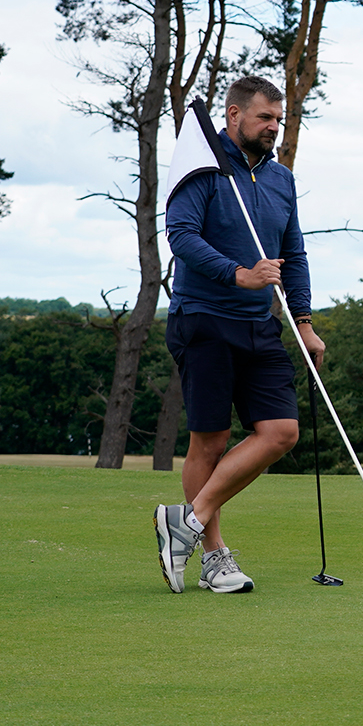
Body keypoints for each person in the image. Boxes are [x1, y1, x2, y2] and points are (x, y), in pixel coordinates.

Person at [152, 75, 324, 594]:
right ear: (234, 115)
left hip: (259, 325)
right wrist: (238, 274)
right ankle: (213, 557)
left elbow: (293, 255)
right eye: (265, 117)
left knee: (281, 432)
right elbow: (180, 235)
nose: (274, 127)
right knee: (211, 440)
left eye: (279, 119)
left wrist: (304, 324)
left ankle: (187, 518)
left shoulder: (281, 180)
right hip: (203, 318)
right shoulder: (203, 167)